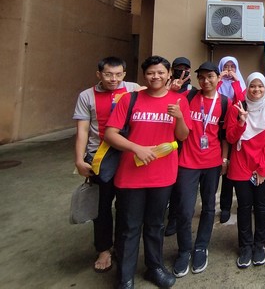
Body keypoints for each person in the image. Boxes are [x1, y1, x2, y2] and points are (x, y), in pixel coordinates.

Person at [104, 55, 192, 289]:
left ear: (169, 75)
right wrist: (136, 148)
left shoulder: (179, 101)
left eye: (161, 72)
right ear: (144, 75)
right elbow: (110, 134)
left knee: (155, 225)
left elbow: (183, 136)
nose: (156, 76)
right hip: (130, 175)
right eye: (151, 73)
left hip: (162, 176)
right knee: (129, 227)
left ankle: (154, 267)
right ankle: (125, 276)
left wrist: (179, 118)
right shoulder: (130, 99)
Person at [73, 56, 140, 273]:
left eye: (118, 74)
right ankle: (103, 249)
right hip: (99, 158)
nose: (114, 79)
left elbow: (156, 93)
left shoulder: (132, 89)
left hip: (126, 157)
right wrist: (79, 159)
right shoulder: (86, 96)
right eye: (108, 74)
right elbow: (83, 130)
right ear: (99, 74)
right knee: (101, 206)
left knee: (126, 205)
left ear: (124, 74)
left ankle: (122, 246)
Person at [172, 62, 229, 278]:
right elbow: (165, 100)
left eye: (210, 76)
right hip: (187, 163)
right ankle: (184, 250)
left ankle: (201, 247)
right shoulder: (188, 97)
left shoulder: (225, 102)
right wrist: (172, 89)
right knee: (185, 210)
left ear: (218, 78)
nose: (206, 81)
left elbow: (224, 135)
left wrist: (225, 159)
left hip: (212, 163)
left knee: (208, 207)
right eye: (202, 77)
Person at [225, 73, 265, 269]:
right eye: (252, 86)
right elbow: (230, 138)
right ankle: (245, 246)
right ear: (247, 88)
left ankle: (260, 245)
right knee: (244, 207)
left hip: (262, 165)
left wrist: (263, 168)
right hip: (240, 164)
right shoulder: (237, 107)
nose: (256, 90)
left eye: (260, 86)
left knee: (261, 206)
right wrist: (241, 122)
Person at [165, 56, 192, 237]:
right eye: (178, 68)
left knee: (178, 185)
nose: (182, 71)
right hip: (162, 142)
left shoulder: (194, 91)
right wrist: (170, 90)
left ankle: (173, 218)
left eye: (186, 68)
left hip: (184, 144)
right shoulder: (162, 88)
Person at [217, 56, 246, 223]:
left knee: (236, 167)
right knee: (224, 168)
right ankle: (225, 207)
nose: (229, 70)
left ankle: (242, 204)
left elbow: (241, 101)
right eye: (225, 66)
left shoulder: (240, 83)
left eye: (232, 66)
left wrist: (236, 82)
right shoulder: (217, 82)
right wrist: (219, 79)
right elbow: (212, 95)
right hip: (217, 128)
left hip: (236, 128)